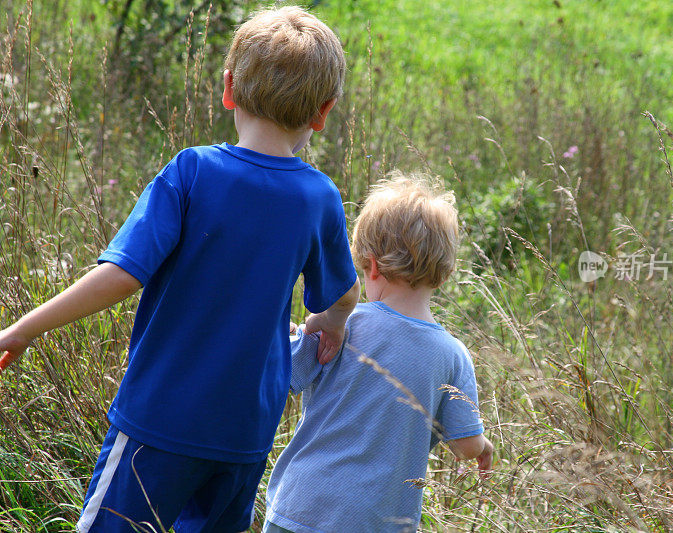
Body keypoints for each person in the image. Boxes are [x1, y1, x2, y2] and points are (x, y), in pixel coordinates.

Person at [0, 6, 359, 532]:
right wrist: (332, 321)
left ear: (228, 88)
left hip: (158, 422)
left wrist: (23, 328)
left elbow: (123, 273)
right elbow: (343, 295)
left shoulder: (192, 172)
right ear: (323, 112)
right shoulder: (318, 197)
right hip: (243, 436)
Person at [263, 173, 493, 533]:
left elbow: (283, 373)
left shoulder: (341, 324)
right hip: (378, 522)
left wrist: (290, 335)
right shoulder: (452, 355)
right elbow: (464, 446)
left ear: (371, 265)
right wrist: (482, 445)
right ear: (444, 274)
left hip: (300, 507)